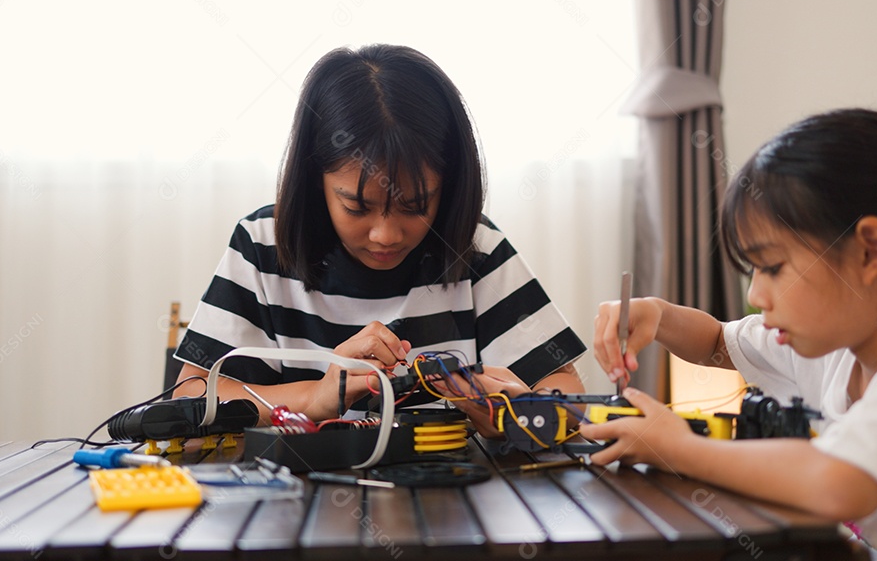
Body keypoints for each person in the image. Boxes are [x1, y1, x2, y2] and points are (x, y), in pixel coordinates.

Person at [583, 109, 877, 561]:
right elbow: (717, 344)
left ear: (871, 250)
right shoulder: (843, 332)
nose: (757, 295)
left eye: (773, 267)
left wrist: (679, 448)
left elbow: (840, 483)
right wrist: (659, 316)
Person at [173, 44, 585, 435]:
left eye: (416, 205)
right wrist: (315, 397)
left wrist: (514, 414)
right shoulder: (263, 247)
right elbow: (191, 397)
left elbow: (570, 397)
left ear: (451, 185)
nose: (385, 235)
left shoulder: (474, 248)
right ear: (316, 180)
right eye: (356, 206)